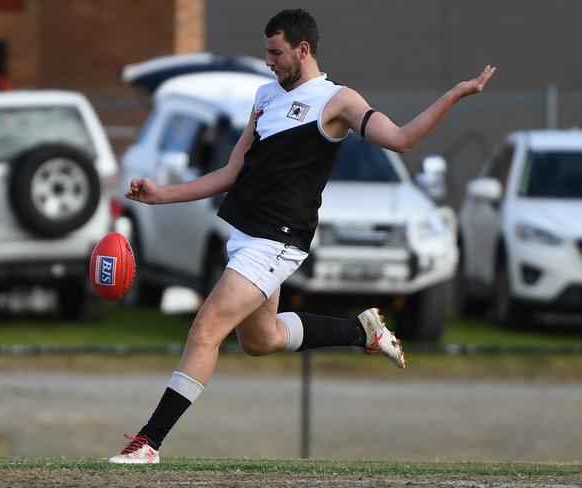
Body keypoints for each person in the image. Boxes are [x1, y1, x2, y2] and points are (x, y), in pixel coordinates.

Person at [109, 8, 496, 464]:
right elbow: (233, 172)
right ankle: (361, 331)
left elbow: (401, 139)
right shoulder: (264, 96)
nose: (269, 61)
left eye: (276, 52)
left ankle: (148, 442)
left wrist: (453, 95)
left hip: (279, 239)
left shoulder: (337, 101)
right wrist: (161, 195)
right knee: (260, 340)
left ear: (303, 49)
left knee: (206, 328)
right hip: (247, 232)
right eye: (266, 52)